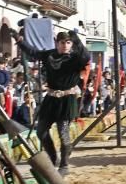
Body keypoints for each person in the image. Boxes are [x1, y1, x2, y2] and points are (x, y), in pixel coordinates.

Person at [16, 27, 89, 171]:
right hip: (51, 98)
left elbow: (86, 56)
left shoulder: (76, 58)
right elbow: (33, 53)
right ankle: (52, 157)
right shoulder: (50, 55)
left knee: (63, 132)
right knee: (41, 131)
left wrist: (77, 39)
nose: (65, 45)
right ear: (57, 43)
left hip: (67, 99)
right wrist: (19, 41)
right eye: (62, 42)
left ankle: (64, 164)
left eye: (68, 42)